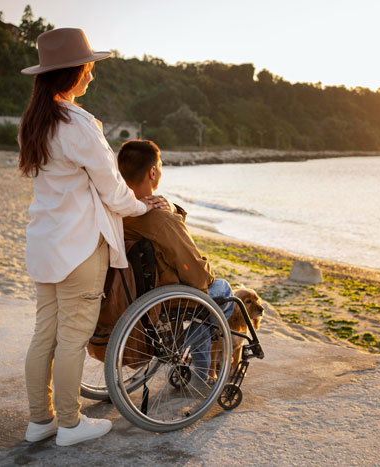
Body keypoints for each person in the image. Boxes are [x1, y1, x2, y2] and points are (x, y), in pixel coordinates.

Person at [18, 28, 165, 446]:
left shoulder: (35, 122)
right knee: (73, 338)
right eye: (89, 68)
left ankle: (39, 420)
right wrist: (143, 206)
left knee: (44, 334)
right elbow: (113, 190)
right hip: (79, 246)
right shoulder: (78, 124)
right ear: (73, 72)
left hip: (45, 242)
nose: (92, 76)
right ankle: (69, 423)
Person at [116, 139, 235, 381]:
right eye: (159, 165)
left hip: (127, 294)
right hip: (163, 298)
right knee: (224, 291)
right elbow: (198, 276)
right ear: (152, 172)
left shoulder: (117, 211)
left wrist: (172, 207)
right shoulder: (161, 220)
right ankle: (197, 367)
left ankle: (195, 361)